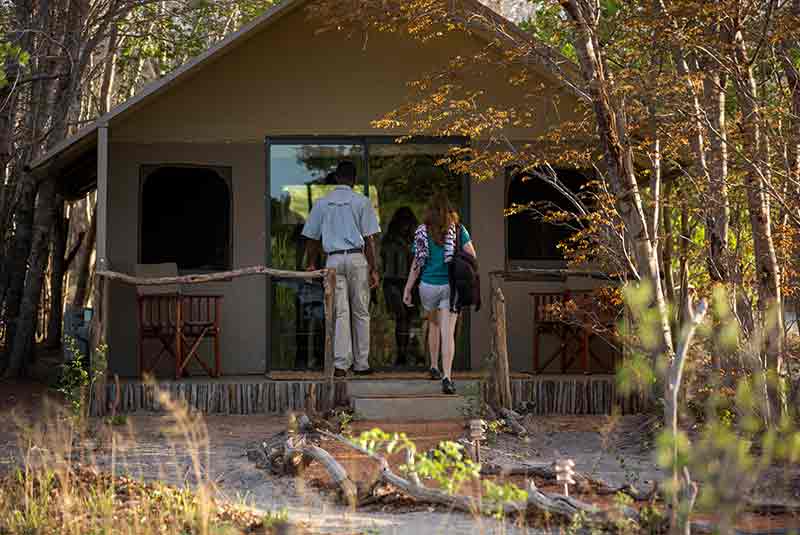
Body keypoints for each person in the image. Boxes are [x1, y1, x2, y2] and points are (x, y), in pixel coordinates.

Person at [302, 160, 381, 377]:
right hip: (357, 258)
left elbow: (312, 238)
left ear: (336, 178)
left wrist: (311, 263)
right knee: (361, 311)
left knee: (340, 313)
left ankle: (341, 364)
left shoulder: (322, 203)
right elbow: (369, 240)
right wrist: (373, 269)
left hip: (333, 261)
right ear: (354, 180)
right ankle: (362, 364)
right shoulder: (362, 202)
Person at [403, 192, 477, 394]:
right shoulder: (458, 230)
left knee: (433, 325)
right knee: (448, 331)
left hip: (428, 286)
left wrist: (408, 288)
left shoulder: (422, 231)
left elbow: (417, 264)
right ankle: (447, 377)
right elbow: (472, 256)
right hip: (450, 287)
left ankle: (433, 366)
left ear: (429, 211)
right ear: (449, 210)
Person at [381, 207, 419, 367]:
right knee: (401, 317)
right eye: (402, 222)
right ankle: (402, 354)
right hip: (393, 282)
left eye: (407, 222)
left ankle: (405, 354)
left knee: (407, 319)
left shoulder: (413, 240)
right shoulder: (389, 240)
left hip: (409, 283)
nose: (405, 225)